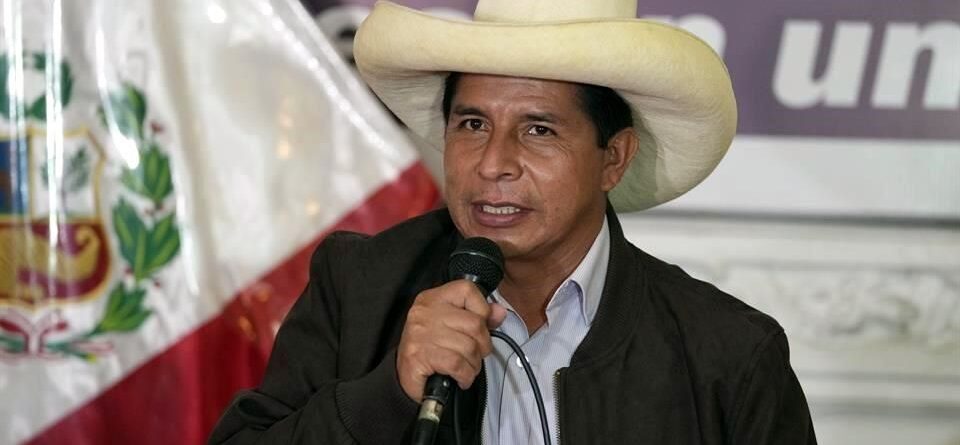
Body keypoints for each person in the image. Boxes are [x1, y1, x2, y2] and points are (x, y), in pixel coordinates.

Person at [210, 0, 817, 443]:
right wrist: (387, 394)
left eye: (539, 130)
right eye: (473, 124)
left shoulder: (727, 354)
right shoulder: (358, 286)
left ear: (613, 158)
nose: (493, 163)